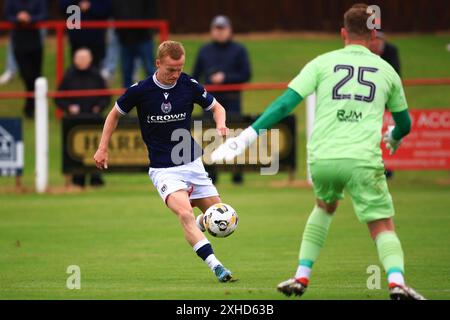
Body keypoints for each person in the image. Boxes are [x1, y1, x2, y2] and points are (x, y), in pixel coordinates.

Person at [212, 4, 425, 300]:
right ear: (373, 34)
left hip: (323, 159)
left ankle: (301, 275)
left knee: (323, 208)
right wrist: (394, 135)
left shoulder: (322, 63)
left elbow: (285, 104)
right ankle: (396, 282)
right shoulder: (386, 69)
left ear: (343, 33)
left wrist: (247, 137)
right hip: (362, 158)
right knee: (381, 224)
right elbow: (405, 123)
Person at [93, 41, 234, 282]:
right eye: (171, 69)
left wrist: (220, 124)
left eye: (179, 68)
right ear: (158, 63)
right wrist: (102, 147)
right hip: (164, 170)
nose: (175, 74)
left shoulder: (188, 85)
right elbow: (114, 114)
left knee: (223, 218)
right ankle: (217, 267)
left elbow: (217, 107)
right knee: (185, 214)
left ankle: (203, 222)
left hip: (192, 163)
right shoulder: (141, 90)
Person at [192, 15, 251, 185]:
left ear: (229, 30)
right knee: (209, 137)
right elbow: (195, 76)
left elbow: (246, 74)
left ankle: (237, 174)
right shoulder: (204, 50)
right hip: (209, 102)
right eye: (216, 29)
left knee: (233, 136)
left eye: (222, 29)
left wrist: (225, 78)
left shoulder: (239, 50)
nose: (219, 32)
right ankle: (211, 174)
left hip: (232, 100)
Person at [56, 48, 110, 187]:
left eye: (85, 58)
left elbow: (106, 97)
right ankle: (77, 179)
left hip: (94, 121)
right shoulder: (68, 76)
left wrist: (99, 107)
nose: (82, 61)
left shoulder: (97, 75)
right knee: (76, 150)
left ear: (90, 59)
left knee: (96, 148)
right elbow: (59, 98)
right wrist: (69, 108)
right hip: (75, 123)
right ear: (74, 60)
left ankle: (96, 178)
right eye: (79, 58)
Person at [5, 0, 48, 119]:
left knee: (36, 77)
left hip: (35, 43)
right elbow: (7, 15)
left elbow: (44, 15)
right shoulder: (11, 2)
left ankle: (33, 107)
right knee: (27, 76)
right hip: (19, 43)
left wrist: (30, 18)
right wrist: (18, 18)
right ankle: (30, 107)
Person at [370, 31, 402, 179]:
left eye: (377, 39)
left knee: (388, 135)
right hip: (370, 102)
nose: (374, 43)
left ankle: (388, 168)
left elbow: (396, 76)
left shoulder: (391, 52)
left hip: (388, 101)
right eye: (373, 39)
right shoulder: (366, 53)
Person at [112, 0, 157, 88]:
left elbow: (152, 10)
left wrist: (147, 27)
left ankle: (156, 93)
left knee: (150, 68)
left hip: (144, 36)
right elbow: (115, 10)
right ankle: (128, 98)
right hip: (125, 37)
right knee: (126, 70)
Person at [60, 0, 112, 68]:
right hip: (76, 37)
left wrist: (90, 6)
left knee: (95, 70)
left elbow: (107, 10)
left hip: (96, 38)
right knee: (77, 68)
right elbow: (63, 6)